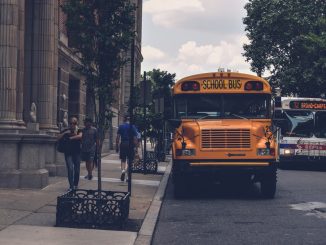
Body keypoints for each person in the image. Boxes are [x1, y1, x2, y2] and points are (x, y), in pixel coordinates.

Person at [57, 117, 82, 191]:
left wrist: (71, 137)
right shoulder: (66, 130)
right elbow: (58, 137)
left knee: (77, 170)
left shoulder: (79, 130)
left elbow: (80, 136)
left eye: (74, 123)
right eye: (71, 123)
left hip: (77, 153)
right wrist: (65, 133)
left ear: (76, 123)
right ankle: (71, 186)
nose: (72, 125)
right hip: (68, 153)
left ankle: (75, 185)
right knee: (70, 169)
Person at [116, 115, 138, 181]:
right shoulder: (133, 127)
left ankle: (123, 171)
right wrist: (136, 148)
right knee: (130, 161)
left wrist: (117, 146)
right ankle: (128, 177)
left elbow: (118, 137)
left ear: (124, 119)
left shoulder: (121, 126)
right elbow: (135, 138)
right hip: (130, 144)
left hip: (123, 144)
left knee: (123, 159)